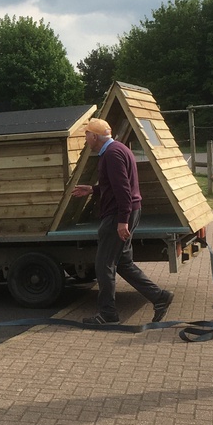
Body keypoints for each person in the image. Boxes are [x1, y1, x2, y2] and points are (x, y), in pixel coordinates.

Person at [72, 118, 173, 326]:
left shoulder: (112, 154)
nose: (86, 139)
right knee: (124, 263)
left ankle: (108, 314)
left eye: (87, 135)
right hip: (128, 211)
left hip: (117, 215)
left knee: (104, 264)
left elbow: (123, 190)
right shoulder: (118, 149)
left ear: (95, 136)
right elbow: (115, 184)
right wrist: (93, 189)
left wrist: (122, 221)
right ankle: (159, 297)